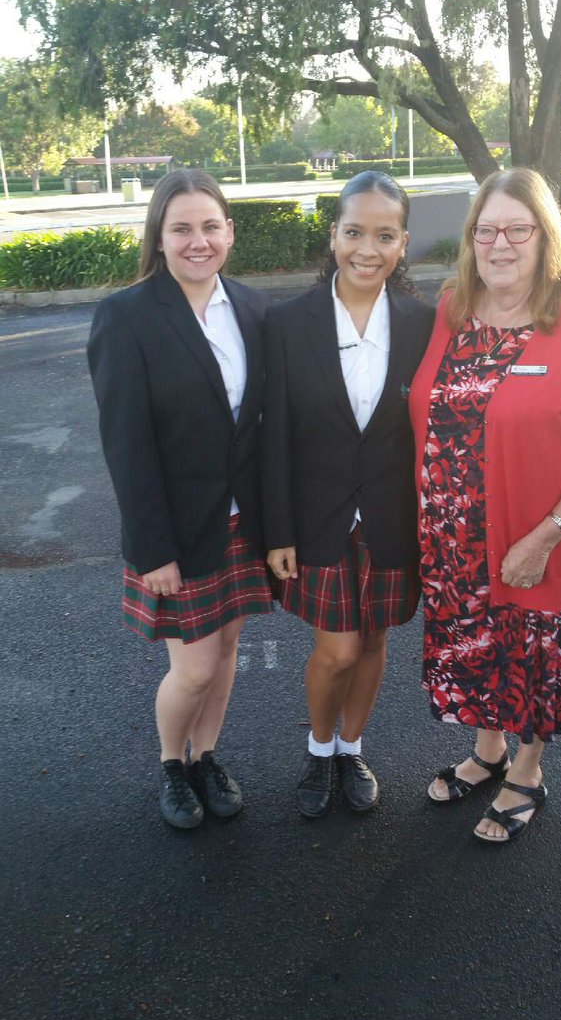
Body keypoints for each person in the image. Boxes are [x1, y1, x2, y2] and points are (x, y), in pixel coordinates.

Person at [409, 167, 561, 844]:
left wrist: (544, 537)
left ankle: (527, 772)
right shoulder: (454, 308)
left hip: (532, 539)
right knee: (476, 647)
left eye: (517, 230)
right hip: (451, 537)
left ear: (545, 238)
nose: (499, 244)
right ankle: (488, 752)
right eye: (486, 231)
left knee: (531, 656)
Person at [88, 169, 273, 830]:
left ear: (230, 232)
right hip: (176, 530)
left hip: (242, 523)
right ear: (159, 237)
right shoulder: (126, 316)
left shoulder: (252, 309)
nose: (199, 241)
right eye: (182, 228)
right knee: (193, 668)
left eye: (210, 226)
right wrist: (152, 550)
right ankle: (172, 763)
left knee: (225, 652)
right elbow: (126, 446)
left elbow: (260, 427)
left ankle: (206, 757)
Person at [263, 171, 435, 818]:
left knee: (373, 642)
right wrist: (278, 530)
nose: (368, 249)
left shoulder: (423, 324)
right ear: (333, 236)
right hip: (319, 518)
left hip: (393, 517)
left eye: (385, 236)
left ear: (403, 244)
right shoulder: (287, 322)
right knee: (336, 649)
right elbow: (274, 435)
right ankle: (318, 749)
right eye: (355, 232)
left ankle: (350, 748)